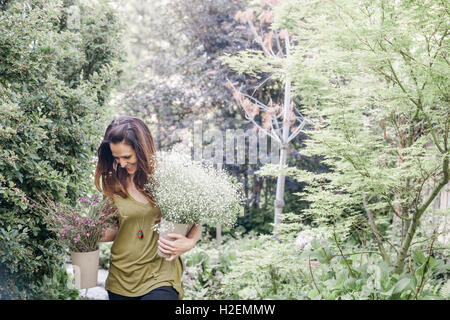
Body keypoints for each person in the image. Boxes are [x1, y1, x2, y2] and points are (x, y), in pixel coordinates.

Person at [94, 116, 201, 300]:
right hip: (121, 278)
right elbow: (116, 228)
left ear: (142, 150)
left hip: (160, 276)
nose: (122, 163)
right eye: (116, 157)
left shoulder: (168, 177)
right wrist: (87, 234)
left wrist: (190, 241)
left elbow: (197, 215)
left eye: (127, 156)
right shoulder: (113, 182)